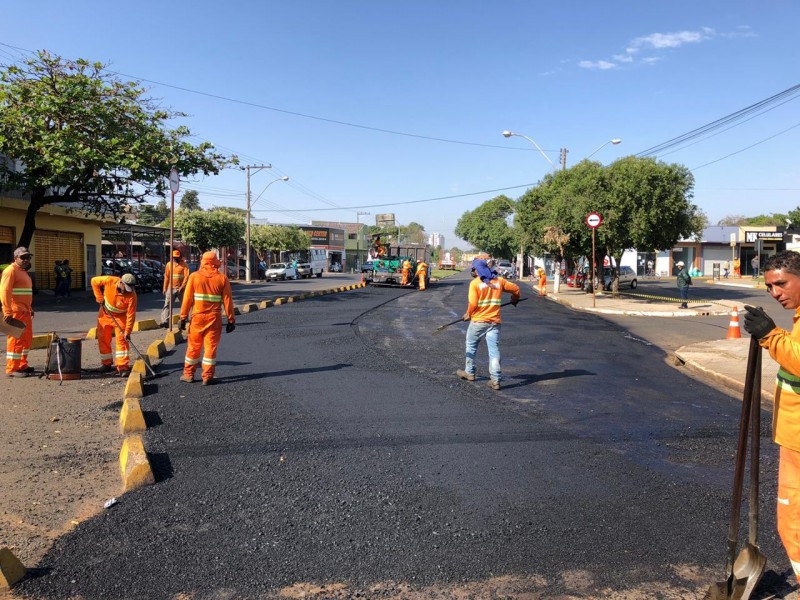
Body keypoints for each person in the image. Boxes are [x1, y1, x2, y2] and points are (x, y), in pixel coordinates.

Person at [742, 250, 800, 583]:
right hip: (793, 435)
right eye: (769, 287)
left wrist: (769, 334)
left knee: (792, 519)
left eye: (781, 283)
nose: (775, 292)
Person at [456, 258, 520, 391]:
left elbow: (473, 304)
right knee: (494, 350)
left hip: (478, 321)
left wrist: (468, 314)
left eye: (474, 269)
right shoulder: (499, 281)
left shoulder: (475, 284)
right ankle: (496, 380)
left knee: (471, 346)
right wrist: (515, 299)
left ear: (478, 270)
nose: (472, 271)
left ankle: (469, 372)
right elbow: (516, 289)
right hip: (494, 323)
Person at [179, 251, 236, 386]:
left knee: (193, 347)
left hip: (197, 317)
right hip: (214, 318)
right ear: (215, 262)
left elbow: (187, 299)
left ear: (203, 261)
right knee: (210, 347)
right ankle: (208, 376)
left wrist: (182, 318)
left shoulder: (194, 277)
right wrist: (231, 320)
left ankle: (188, 374)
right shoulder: (222, 278)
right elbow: (228, 301)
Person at [91, 273, 138, 376]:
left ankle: (122, 367)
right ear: (121, 282)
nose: (126, 291)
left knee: (122, 340)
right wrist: (99, 297)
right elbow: (94, 281)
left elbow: (131, 314)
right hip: (105, 314)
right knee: (103, 338)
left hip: (121, 317)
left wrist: (128, 331)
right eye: (125, 287)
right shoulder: (109, 280)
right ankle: (106, 363)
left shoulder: (132, 295)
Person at [1, 247, 35, 377]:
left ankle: (22, 364)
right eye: (23, 257)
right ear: (15, 258)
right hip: (15, 312)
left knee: (25, 340)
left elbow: (25, 294)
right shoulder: (10, 271)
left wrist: (30, 308)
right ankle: (12, 368)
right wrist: (7, 311)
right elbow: (5, 292)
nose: (26, 260)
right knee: (16, 340)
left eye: (28, 257)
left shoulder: (23, 271)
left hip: (25, 311)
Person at [160, 250, 188, 328]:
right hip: (170, 288)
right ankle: (165, 321)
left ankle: (183, 319)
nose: (175, 258)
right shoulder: (169, 265)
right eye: (174, 257)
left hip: (181, 289)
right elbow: (166, 276)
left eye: (177, 257)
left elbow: (186, 277)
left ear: (180, 257)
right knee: (167, 305)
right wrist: (164, 287)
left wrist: (182, 287)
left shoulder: (184, 265)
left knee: (184, 305)